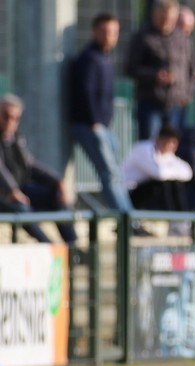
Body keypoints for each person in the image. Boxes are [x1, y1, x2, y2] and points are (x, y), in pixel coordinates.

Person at [69, 13, 134, 215]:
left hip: (103, 126)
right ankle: (126, 219)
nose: (109, 37)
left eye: (114, 32)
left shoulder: (104, 59)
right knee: (110, 174)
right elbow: (85, 92)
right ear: (95, 32)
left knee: (116, 174)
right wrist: (95, 122)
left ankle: (129, 217)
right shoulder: (89, 58)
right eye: (105, 32)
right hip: (91, 125)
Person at [0, 94, 78, 244]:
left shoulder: (15, 138)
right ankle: (50, 248)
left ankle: (73, 248)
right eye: (6, 116)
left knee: (55, 194)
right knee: (22, 208)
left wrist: (58, 181)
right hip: (5, 194)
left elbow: (29, 165)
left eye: (15, 118)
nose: (11, 122)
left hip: (19, 189)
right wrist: (12, 191)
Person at [126, 0, 195, 140]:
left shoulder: (183, 40)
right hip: (150, 102)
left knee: (173, 151)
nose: (166, 21)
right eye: (162, 17)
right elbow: (131, 69)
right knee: (149, 147)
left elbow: (193, 70)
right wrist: (155, 76)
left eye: (170, 18)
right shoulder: (143, 37)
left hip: (176, 104)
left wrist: (187, 95)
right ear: (154, 15)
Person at [122, 125, 192, 217]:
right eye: (167, 142)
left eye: (174, 143)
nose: (171, 146)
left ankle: (181, 219)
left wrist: (169, 172)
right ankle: (174, 219)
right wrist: (173, 172)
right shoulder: (144, 149)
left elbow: (188, 173)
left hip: (142, 192)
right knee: (164, 183)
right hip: (127, 193)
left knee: (175, 183)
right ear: (158, 139)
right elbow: (159, 174)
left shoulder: (168, 155)